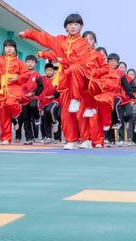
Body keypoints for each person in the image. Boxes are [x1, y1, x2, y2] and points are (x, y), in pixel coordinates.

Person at [20, 13, 90, 150]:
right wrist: (28, 33)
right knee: (66, 112)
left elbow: (80, 62)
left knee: (80, 111)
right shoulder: (60, 41)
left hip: (80, 80)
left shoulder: (83, 43)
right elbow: (44, 38)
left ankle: (86, 139)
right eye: (70, 24)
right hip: (65, 82)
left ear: (81, 26)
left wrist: (62, 60)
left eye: (76, 24)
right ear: (66, 27)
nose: (73, 26)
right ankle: (71, 140)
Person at [0, 39, 27, 144]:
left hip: (14, 88)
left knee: (11, 103)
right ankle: (5, 138)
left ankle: (17, 113)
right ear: (3, 48)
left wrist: (17, 78)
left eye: (11, 46)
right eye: (7, 46)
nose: (9, 48)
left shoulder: (19, 62)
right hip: (1, 88)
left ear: (15, 49)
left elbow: (26, 75)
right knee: (2, 112)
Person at [19, 55, 44, 144]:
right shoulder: (22, 74)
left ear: (35, 64)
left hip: (34, 97)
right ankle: (29, 138)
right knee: (26, 119)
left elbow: (41, 87)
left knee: (33, 105)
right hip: (24, 99)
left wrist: (33, 93)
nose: (30, 64)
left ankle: (37, 118)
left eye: (32, 62)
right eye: (28, 62)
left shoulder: (38, 75)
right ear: (25, 63)